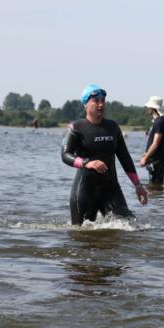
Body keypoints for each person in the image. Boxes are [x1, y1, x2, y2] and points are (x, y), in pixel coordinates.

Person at [61, 84, 148, 225]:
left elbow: (125, 157)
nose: (101, 104)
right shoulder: (75, 128)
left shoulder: (112, 127)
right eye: (96, 100)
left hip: (111, 189)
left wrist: (138, 185)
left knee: (129, 225)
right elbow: (65, 155)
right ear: (86, 104)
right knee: (81, 236)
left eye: (103, 100)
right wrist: (86, 163)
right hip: (85, 191)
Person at [139, 95, 164, 186]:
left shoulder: (159, 122)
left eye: (149, 106)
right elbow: (152, 142)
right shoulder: (157, 122)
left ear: (153, 108)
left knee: (155, 190)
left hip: (157, 162)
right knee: (155, 190)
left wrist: (145, 158)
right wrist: (146, 153)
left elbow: (155, 144)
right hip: (154, 161)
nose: (147, 108)